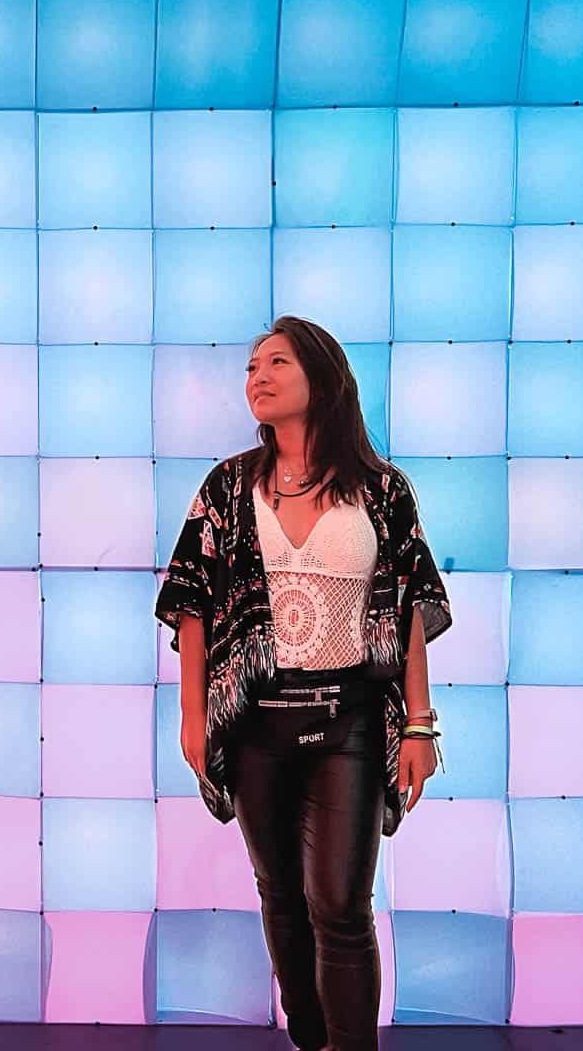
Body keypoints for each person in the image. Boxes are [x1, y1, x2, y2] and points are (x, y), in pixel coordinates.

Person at [155, 315, 454, 1051]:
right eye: (251, 366)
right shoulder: (227, 488)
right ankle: (311, 1036)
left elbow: (411, 605)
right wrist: (194, 717)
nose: (257, 376)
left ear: (322, 377)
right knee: (282, 898)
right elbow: (190, 603)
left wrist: (420, 724)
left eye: (276, 362)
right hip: (255, 721)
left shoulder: (382, 491)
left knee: (341, 906)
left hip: (347, 720)